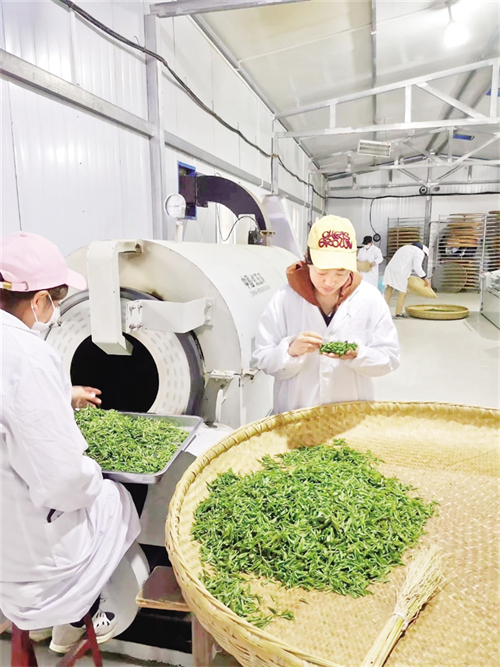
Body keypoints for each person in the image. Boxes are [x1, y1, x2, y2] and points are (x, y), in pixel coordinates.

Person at [0, 232, 140, 653]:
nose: (56, 311)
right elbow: (64, 481)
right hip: (33, 566)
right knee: (118, 498)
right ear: (39, 300)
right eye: (57, 300)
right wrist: (93, 472)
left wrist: (63, 395)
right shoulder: (28, 355)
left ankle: (51, 624)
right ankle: (83, 614)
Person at [253, 216, 400, 414]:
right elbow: (263, 358)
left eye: (340, 273)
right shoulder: (284, 299)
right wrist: (290, 351)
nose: (330, 282)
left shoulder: (369, 299)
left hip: (350, 416)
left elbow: (390, 358)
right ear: (308, 260)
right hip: (297, 416)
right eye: (322, 272)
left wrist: (359, 355)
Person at [383, 242, 431, 318]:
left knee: (389, 289)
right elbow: (417, 267)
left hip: (390, 269)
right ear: (424, 252)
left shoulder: (405, 247)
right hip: (400, 272)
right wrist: (425, 279)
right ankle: (398, 313)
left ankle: (382, 311)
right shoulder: (419, 252)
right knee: (402, 292)